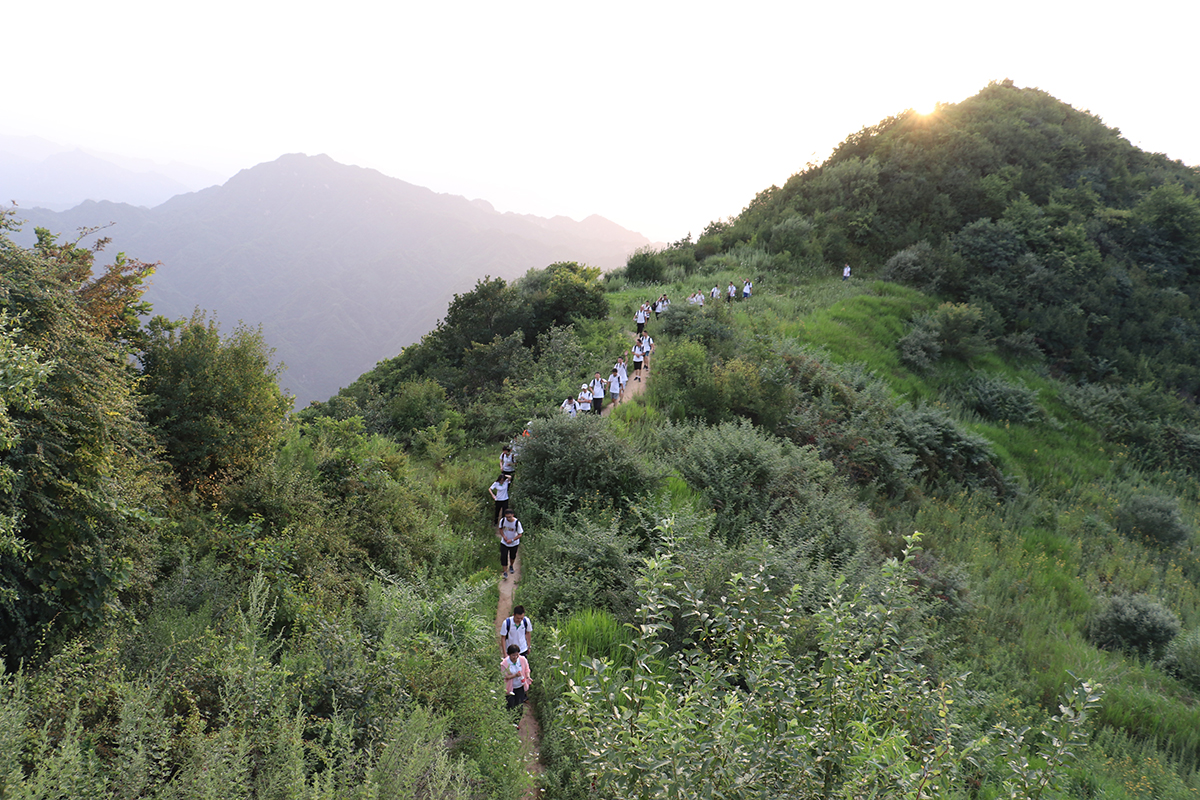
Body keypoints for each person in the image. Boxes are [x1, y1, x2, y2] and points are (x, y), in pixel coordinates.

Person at [501, 644, 531, 710]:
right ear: (509, 655)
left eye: (517, 655)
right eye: (513, 655)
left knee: (519, 706)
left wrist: (528, 677)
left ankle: (517, 720)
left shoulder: (522, 660)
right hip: (510, 688)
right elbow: (505, 676)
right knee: (510, 706)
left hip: (520, 686)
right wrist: (515, 675)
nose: (515, 657)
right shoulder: (504, 663)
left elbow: (527, 669)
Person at [497, 508, 523, 581]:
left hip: (514, 543)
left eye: (509, 517)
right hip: (504, 542)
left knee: (512, 556)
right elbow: (500, 528)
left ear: (512, 515)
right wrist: (503, 536)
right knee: (503, 556)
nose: (508, 518)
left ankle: (511, 565)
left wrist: (512, 540)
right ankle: (505, 572)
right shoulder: (503, 521)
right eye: (507, 517)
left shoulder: (517, 522)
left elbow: (520, 534)